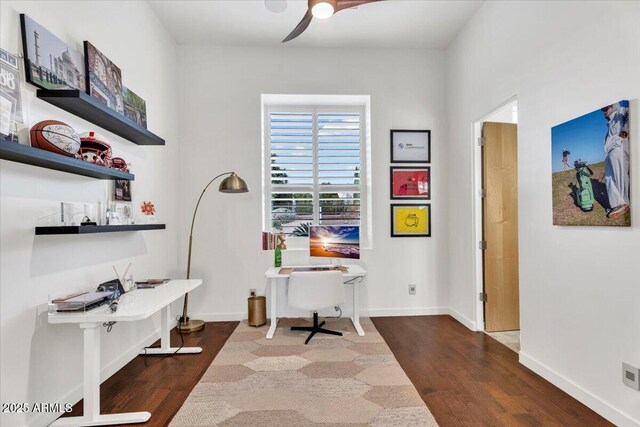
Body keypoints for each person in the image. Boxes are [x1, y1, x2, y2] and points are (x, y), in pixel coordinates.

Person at [601, 102, 630, 219]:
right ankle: (616, 203)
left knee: (620, 176)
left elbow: (631, 112)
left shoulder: (620, 111)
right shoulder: (610, 122)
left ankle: (624, 202)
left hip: (619, 148)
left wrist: (625, 128)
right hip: (610, 153)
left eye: (605, 108)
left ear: (613, 106)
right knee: (609, 178)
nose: (603, 111)